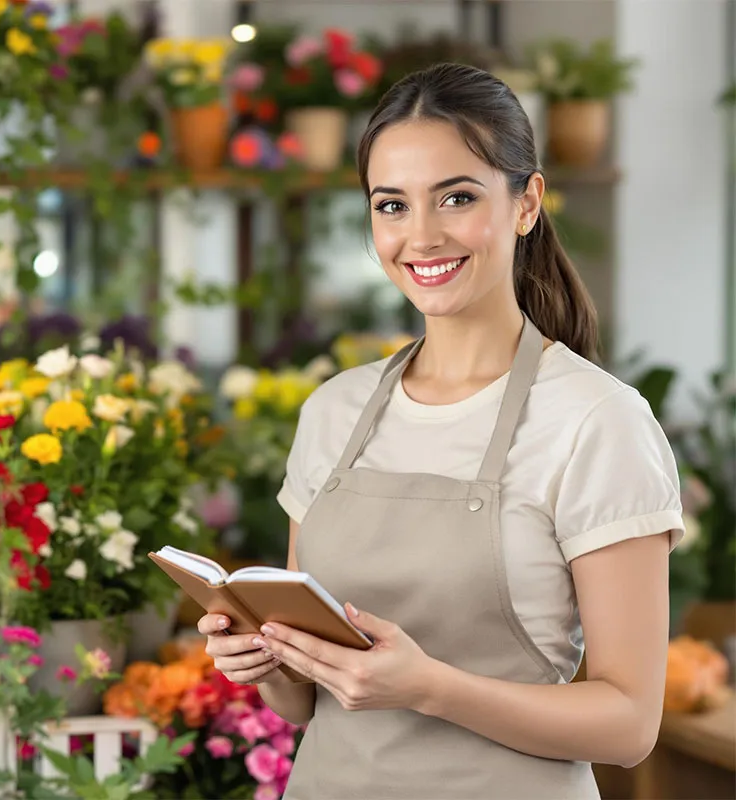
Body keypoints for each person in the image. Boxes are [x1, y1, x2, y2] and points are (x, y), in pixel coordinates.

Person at [198, 63, 685, 799]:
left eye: (456, 197)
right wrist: (267, 661)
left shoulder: (595, 421)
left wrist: (429, 687)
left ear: (527, 203)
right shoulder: (334, 411)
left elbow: (629, 724)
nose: (420, 237)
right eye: (391, 205)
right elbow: (305, 705)